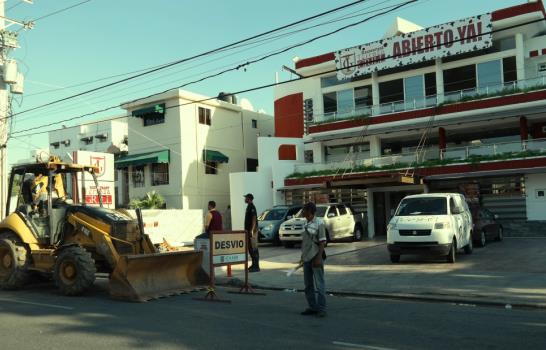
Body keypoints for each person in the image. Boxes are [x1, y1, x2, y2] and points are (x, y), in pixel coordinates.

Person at [300, 202, 327, 318]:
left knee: (319, 284)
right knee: (308, 285)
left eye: (304, 210)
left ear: (310, 211)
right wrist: (302, 257)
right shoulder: (305, 223)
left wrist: (319, 258)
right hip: (306, 258)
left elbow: (322, 242)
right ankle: (312, 307)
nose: (302, 212)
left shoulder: (319, 223)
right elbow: (305, 243)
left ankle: (321, 308)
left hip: (316, 257)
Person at [244, 193, 260, 272]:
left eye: (246, 198)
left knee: (254, 248)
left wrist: (252, 230)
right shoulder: (249, 206)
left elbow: (254, 219)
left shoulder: (252, 207)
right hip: (248, 231)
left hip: (252, 231)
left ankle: (256, 266)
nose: (245, 199)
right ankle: (253, 265)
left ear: (249, 198)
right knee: (250, 248)